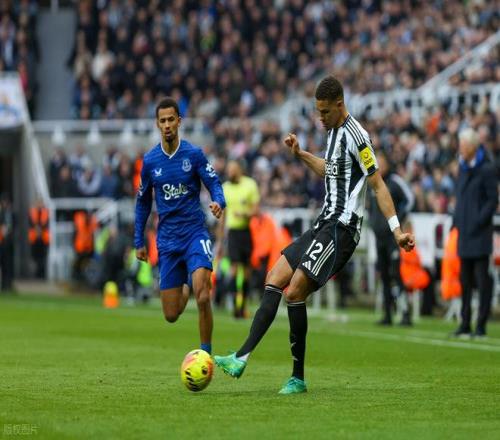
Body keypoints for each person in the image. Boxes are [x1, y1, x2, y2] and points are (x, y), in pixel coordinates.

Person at [214, 75, 415, 394]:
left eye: (324, 112)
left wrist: (397, 230)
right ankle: (241, 357)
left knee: (294, 291)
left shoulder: (358, 136)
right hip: (323, 223)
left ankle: (297, 377)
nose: (320, 118)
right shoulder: (332, 132)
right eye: (317, 112)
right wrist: (301, 154)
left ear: (339, 104)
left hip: (342, 229)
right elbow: (329, 170)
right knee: (274, 276)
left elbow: (377, 184)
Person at [134, 97, 226, 355]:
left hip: (194, 233)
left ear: (179, 121)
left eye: (171, 120)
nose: (167, 125)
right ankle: (186, 278)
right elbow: (142, 202)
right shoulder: (150, 161)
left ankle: (205, 354)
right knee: (171, 314)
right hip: (168, 241)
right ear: (157, 124)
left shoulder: (193, 154)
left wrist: (219, 201)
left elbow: (214, 182)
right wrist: (138, 240)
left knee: (203, 295)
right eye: (162, 121)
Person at [452, 127, 498, 338]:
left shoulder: (487, 169)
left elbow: (492, 200)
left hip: (479, 235)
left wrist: (479, 220)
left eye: (463, 145)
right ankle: (465, 323)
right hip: (464, 234)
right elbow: (460, 198)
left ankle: (481, 324)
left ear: (472, 146)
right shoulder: (463, 168)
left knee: (482, 281)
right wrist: (457, 221)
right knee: (465, 282)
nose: (460, 149)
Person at [368, 150, 414, 325]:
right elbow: (370, 207)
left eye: (381, 162)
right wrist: (373, 222)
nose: (379, 165)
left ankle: (405, 313)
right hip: (379, 237)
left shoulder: (395, 182)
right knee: (384, 276)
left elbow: (409, 200)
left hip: (393, 238)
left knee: (396, 274)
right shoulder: (373, 182)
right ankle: (387, 314)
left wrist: (397, 222)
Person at [217, 160, 260, 318]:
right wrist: (220, 241)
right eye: (229, 169)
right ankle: (235, 306)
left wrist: (245, 214)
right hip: (233, 233)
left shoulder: (250, 185)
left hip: (247, 231)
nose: (230, 172)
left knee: (247, 271)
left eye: (233, 169)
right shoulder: (225, 188)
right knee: (234, 268)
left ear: (240, 170)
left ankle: (244, 306)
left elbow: (256, 210)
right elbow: (223, 216)